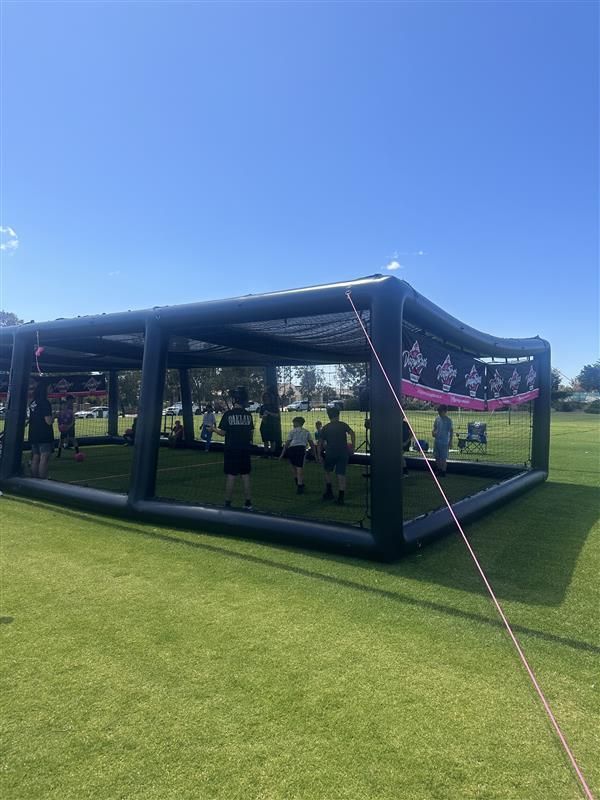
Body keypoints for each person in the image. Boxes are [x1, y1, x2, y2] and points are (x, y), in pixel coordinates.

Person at [215, 387, 254, 510]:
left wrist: (213, 429)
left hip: (231, 449)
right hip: (245, 449)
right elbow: (250, 433)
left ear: (235, 400)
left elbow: (222, 433)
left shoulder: (228, 414)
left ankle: (227, 502)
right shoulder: (249, 415)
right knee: (245, 475)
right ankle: (248, 502)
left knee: (231, 476)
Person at [318, 407, 355, 505]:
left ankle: (329, 491)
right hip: (343, 453)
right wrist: (353, 447)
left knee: (327, 471)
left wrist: (319, 455)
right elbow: (352, 433)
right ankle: (341, 497)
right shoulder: (343, 425)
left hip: (331, 453)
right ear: (338, 415)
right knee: (341, 474)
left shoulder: (326, 427)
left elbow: (320, 443)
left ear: (328, 416)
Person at [279, 416, 318, 494]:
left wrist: (282, 454)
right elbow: (312, 444)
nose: (293, 424)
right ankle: (300, 486)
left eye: (293, 423)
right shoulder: (306, 432)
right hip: (300, 449)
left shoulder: (292, 432)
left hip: (291, 450)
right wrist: (315, 455)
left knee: (294, 467)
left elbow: (287, 444)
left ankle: (297, 481)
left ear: (297, 423)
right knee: (300, 468)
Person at [28, 382, 55, 478]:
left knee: (36, 456)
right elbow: (48, 421)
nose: (51, 389)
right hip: (43, 433)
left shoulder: (33, 402)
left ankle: (34, 479)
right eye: (49, 387)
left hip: (33, 433)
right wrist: (54, 417)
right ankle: (43, 479)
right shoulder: (45, 402)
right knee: (44, 457)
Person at [432, 404, 453, 477]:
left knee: (443, 458)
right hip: (437, 441)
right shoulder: (437, 419)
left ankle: (443, 472)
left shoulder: (448, 420)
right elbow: (434, 428)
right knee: (436, 457)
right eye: (438, 411)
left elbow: (451, 431)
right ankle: (439, 469)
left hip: (444, 442)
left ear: (445, 411)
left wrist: (450, 441)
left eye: (440, 411)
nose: (439, 413)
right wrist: (433, 432)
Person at [259, 386, 280, 458]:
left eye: (267, 397)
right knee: (265, 440)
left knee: (272, 440)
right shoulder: (262, 407)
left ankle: (272, 454)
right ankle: (266, 453)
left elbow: (277, 415)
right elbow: (260, 416)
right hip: (264, 425)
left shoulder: (274, 406)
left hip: (272, 425)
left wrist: (269, 413)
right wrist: (263, 416)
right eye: (265, 397)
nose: (266, 398)